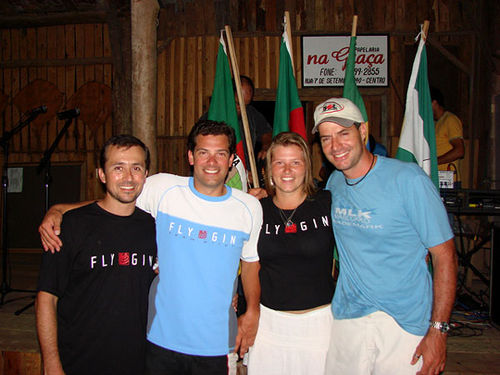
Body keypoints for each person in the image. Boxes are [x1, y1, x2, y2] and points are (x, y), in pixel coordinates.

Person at [39, 120, 263, 375]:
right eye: (203, 152)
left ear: (232, 159)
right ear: (191, 156)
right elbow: (117, 199)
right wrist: (59, 210)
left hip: (216, 343)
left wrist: (252, 310)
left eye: (220, 153)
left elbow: (250, 262)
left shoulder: (249, 207)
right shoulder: (163, 189)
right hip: (159, 341)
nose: (211, 162)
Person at [313, 97, 458, 375]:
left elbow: (445, 255)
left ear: (363, 131)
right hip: (348, 320)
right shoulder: (334, 184)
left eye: (344, 133)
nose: (335, 146)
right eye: (326, 138)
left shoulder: (408, 179)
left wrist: (438, 330)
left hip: (403, 324)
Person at [36, 135, 157, 375]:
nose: (128, 177)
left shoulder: (153, 229)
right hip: (78, 362)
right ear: (102, 174)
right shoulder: (70, 227)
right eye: (118, 168)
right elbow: (46, 298)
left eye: (136, 168)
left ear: (145, 175)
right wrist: (51, 362)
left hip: (137, 363)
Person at [247, 132, 335, 374]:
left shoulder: (327, 203)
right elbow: (247, 264)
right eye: (280, 162)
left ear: (307, 167)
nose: (287, 170)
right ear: (269, 169)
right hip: (268, 325)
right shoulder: (255, 209)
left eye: (295, 162)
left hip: (320, 325)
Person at [430, 87, 465, 170]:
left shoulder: (450, 120)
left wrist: (434, 162)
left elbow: (459, 151)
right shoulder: (434, 123)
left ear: (434, 103)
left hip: (448, 178)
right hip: (436, 176)